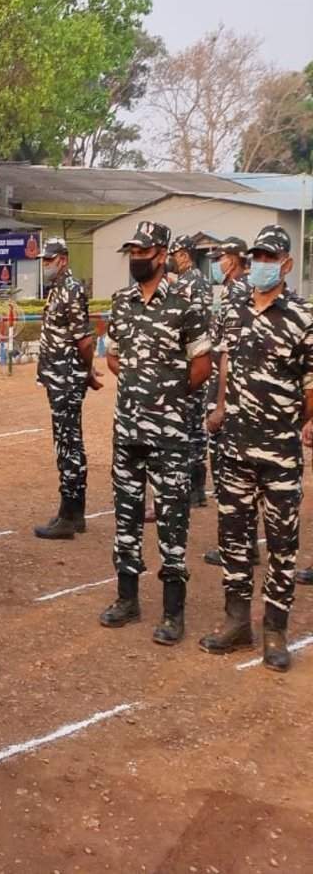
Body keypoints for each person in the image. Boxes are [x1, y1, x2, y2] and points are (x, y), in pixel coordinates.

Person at [200, 226, 313, 672]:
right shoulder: (233, 310)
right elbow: (225, 363)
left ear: (285, 264)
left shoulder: (303, 317)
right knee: (234, 538)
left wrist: (301, 421)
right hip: (235, 447)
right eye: (256, 256)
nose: (261, 263)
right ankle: (236, 621)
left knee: (282, 541)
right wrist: (221, 407)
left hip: (280, 452)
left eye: (269, 257)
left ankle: (274, 630)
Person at [100, 221, 211, 647]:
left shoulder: (186, 303)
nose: (135, 258)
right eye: (131, 251)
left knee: (172, 520)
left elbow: (201, 368)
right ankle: (127, 598)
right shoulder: (123, 302)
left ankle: (172, 611)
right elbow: (113, 357)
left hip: (169, 435)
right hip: (127, 430)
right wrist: (138, 386)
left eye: (142, 251)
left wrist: (165, 397)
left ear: (161, 255)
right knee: (126, 517)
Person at [33, 237, 101, 540]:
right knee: (67, 443)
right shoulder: (58, 289)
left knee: (69, 445)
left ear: (63, 259)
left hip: (67, 378)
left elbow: (84, 340)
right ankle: (72, 512)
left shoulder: (71, 290)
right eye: (44, 261)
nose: (46, 265)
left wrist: (86, 372)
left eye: (50, 260)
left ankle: (70, 515)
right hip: (59, 377)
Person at [202, 237, 256, 567]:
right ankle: (245, 544)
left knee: (228, 472)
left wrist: (220, 405)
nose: (217, 262)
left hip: (230, 394)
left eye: (221, 257)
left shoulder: (236, 292)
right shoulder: (241, 289)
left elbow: (227, 354)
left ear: (233, 260)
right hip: (242, 394)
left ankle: (238, 547)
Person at [168, 234, 213, 507]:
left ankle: (187, 487)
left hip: (186, 361)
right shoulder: (204, 281)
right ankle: (198, 489)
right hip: (200, 357)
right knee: (196, 427)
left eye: (175, 256)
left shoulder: (186, 282)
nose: (173, 261)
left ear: (184, 255)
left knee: (184, 427)